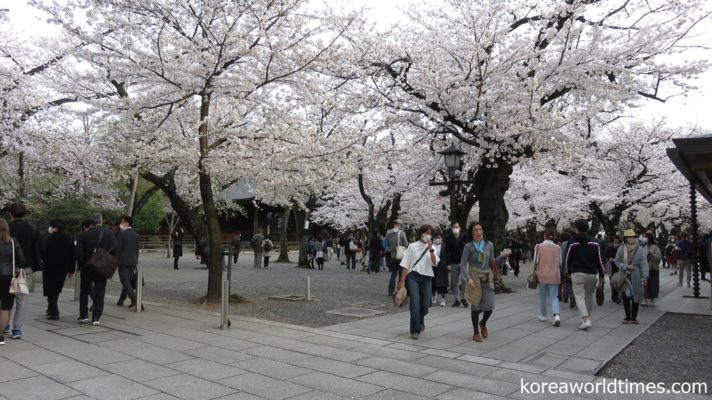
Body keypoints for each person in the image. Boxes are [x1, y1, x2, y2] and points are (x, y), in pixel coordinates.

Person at [397, 225, 439, 340]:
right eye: (426, 232)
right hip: (413, 276)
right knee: (415, 303)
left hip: (427, 277)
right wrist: (402, 281)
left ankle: (421, 320)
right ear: (421, 233)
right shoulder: (412, 246)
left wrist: (431, 249)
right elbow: (405, 264)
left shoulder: (433, 248)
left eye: (430, 233)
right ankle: (414, 330)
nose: (427, 235)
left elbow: (435, 263)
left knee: (425, 303)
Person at [7, 203, 42, 340]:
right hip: (26, 268)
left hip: (6, 267)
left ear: (11, 214)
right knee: (22, 299)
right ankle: (17, 329)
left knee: (5, 298)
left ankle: (4, 324)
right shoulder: (32, 229)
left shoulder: (5, 228)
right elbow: (39, 247)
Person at [460, 222, 500, 342]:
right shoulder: (468, 246)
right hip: (474, 279)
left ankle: (483, 323)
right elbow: (462, 265)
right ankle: (476, 333)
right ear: (471, 233)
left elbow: (492, 261)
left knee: (490, 306)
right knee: (476, 307)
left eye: (480, 230)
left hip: (487, 278)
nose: (478, 232)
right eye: (475, 230)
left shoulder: (489, 244)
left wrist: (502, 257)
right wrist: (468, 279)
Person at [75, 216, 118, 326]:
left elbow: (78, 254)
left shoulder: (82, 235)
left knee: (84, 290)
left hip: (86, 267)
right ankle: (96, 317)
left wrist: (80, 265)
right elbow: (115, 248)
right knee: (100, 292)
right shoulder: (107, 233)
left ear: (86, 227)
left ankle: (84, 315)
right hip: (101, 267)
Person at [564, 220, 605, 331]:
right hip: (591, 273)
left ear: (576, 229)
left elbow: (567, 258)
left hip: (577, 272)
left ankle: (586, 319)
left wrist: (567, 271)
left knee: (579, 297)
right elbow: (600, 260)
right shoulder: (595, 243)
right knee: (588, 296)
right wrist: (602, 275)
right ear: (587, 228)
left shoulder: (572, 242)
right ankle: (586, 319)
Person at [41, 219, 75, 320]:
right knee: (56, 289)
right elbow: (72, 255)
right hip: (62, 268)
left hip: (49, 267)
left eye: (51, 226)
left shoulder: (48, 238)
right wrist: (71, 269)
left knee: (50, 290)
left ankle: (54, 311)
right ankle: (51, 309)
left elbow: (42, 253)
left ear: (55, 227)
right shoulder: (69, 238)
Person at [0, 219, 26, 345]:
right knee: (5, 307)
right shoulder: (13, 241)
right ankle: (0, 336)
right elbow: (22, 260)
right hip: (7, 277)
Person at [615, 229, 649, 324]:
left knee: (636, 295)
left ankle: (634, 317)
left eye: (633, 237)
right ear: (625, 239)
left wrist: (645, 275)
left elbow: (644, 263)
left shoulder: (640, 250)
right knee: (625, 296)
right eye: (629, 237)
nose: (631, 239)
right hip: (625, 275)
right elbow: (617, 261)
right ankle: (627, 316)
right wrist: (625, 266)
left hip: (637, 274)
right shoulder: (621, 249)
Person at [534, 228, 562, 326]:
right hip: (554, 274)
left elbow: (536, 261)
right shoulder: (558, 248)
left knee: (543, 296)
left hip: (542, 274)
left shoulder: (538, 246)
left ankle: (543, 315)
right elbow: (560, 262)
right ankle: (556, 315)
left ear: (544, 235)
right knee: (554, 296)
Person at [116, 216, 142, 309]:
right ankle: (121, 300)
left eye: (122, 222)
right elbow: (137, 250)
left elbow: (117, 249)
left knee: (125, 281)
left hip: (123, 261)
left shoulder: (121, 234)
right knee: (127, 281)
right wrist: (136, 260)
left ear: (127, 223)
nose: (121, 224)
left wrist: (115, 259)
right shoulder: (136, 234)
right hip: (133, 261)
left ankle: (135, 299)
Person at [443, 222, 469, 307]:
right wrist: (448, 263)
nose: (455, 228)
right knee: (454, 282)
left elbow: (469, 249)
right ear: (451, 228)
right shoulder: (448, 238)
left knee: (464, 280)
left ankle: (463, 298)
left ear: (460, 228)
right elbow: (447, 252)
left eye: (457, 227)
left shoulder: (465, 237)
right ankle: (457, 299)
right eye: (453, 227)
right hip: (453, 263)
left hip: (464, 263)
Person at [386, 221, 408, 295]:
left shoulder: (388, 233)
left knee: (393, 274)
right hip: (401, 256)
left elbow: (388, 243)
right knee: (401, 275)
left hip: (392, 255)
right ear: (398, 225)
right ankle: (399, 290)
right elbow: (406, 244)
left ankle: (391, 291)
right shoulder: (401, 233)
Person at [642, 231, 662, 307]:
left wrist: (652, 255)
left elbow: (659, 256)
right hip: (644, 268)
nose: (645, 239)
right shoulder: (643, 246)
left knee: (653, 284)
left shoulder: (655, 247)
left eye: (646, 237)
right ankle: (645, 299)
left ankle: (652, 299)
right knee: (644, 284)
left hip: (653, 267)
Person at [431, 231, 448, 307]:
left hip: (442, 267)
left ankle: (443, 299)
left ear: (441, 238)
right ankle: (433, 296)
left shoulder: (445, 246)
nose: (438, 239)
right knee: (433, 282)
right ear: (433, 238)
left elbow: (448, 256)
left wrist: (449, 264)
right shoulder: (430, 246)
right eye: (436, 237)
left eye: (439, 237)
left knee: (442, 284)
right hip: (432, 266)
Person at [604, 236, 622, 303]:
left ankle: (618, 296)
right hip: (611, 268)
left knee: (619, 282)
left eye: (617, 242)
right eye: (615, 242)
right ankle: (614, 295)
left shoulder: (621, 249)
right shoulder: (609, 249)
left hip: (619, 268)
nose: (616, 243)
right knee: (612, 282)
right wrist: (609, 259)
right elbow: (605, 257)